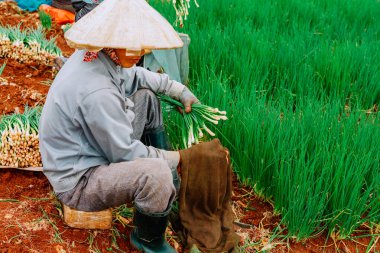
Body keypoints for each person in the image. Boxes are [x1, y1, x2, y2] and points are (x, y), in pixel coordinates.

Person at [39, 0, 199, 252]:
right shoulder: (98, 91)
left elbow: (135, 76)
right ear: (113, 40)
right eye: (133, 45)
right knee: (156, 173)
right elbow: (123, 153)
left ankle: (170, 182)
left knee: (146, 98)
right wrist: (178, 158)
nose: (141, 52)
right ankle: (149, 240)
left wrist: (179, 90)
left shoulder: (100, 54)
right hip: (79, 180)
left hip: (88, 148)